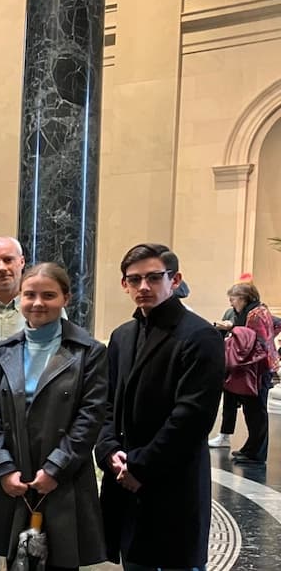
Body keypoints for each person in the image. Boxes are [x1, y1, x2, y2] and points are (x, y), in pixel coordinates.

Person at [95, 243, 223, 570]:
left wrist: (138, 466)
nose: (143, 287)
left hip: (172, 484)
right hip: (125, 482)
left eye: (153, 277)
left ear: (174, 279)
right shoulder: (122, 336)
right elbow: (108, 403)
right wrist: (109, 450)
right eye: (134, 279)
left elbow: (192, 417)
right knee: (134, 563)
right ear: (124, 284)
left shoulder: (199, 336)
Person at [0, 263, 108, 570]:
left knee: (62, 562)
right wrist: (3, 467)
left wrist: (55, 469)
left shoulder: (89, 352)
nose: (38, 303)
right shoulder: (2, 351)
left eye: (48, 295)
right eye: (30, 295)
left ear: (66, 298)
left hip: (64, 479)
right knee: (16, 562)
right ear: (20, 299)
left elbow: (90, 417)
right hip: (16, 478)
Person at [208, 280, 277, 463]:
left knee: (257, 412)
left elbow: (255, 341)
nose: (231, 302)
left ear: (244, 298)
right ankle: (250, 449)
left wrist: (232, 329)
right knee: (251, 411)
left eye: (233, 298)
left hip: (258, 369)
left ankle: (256, 454)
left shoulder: (256, 313)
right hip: (252, 368)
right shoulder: (253, 311)